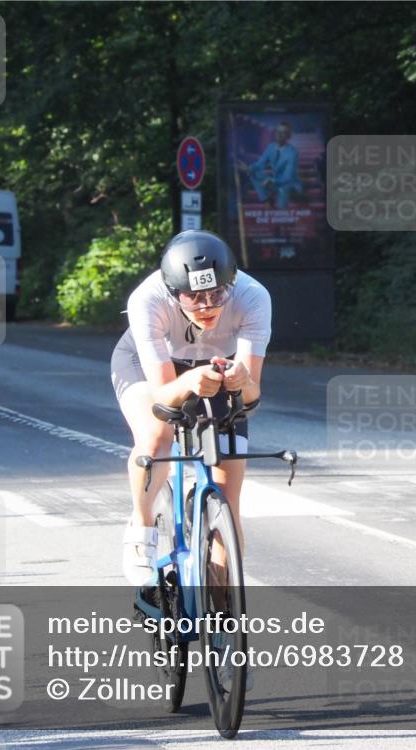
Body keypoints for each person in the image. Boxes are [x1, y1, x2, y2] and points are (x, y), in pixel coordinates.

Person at [110, 230, 271, 585]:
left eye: (217, 294)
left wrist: (242, 380)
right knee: (156, 436)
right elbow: (164, 395)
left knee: (228, 497)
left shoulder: (253, 296)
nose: (207, 306)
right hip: (149, 366)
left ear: (232, 282)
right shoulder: (147, 300)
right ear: (172, 292)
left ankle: (221, 613)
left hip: (217, 364)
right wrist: (186, 383)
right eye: (194, 297)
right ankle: (142, 526)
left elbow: (252, 395)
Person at [237, 121, 302, 209]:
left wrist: (272, 180)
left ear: (288, 136)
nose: (279, 134)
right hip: (275, 182)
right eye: (278, 131)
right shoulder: (270, 147)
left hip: (289, 184)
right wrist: (248, 168)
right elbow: (260, 163)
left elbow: (288, 177)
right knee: (254, 172)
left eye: (283, 133)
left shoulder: (292, 152)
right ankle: (266, 198)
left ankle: (281, 200)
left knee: (281, 206)